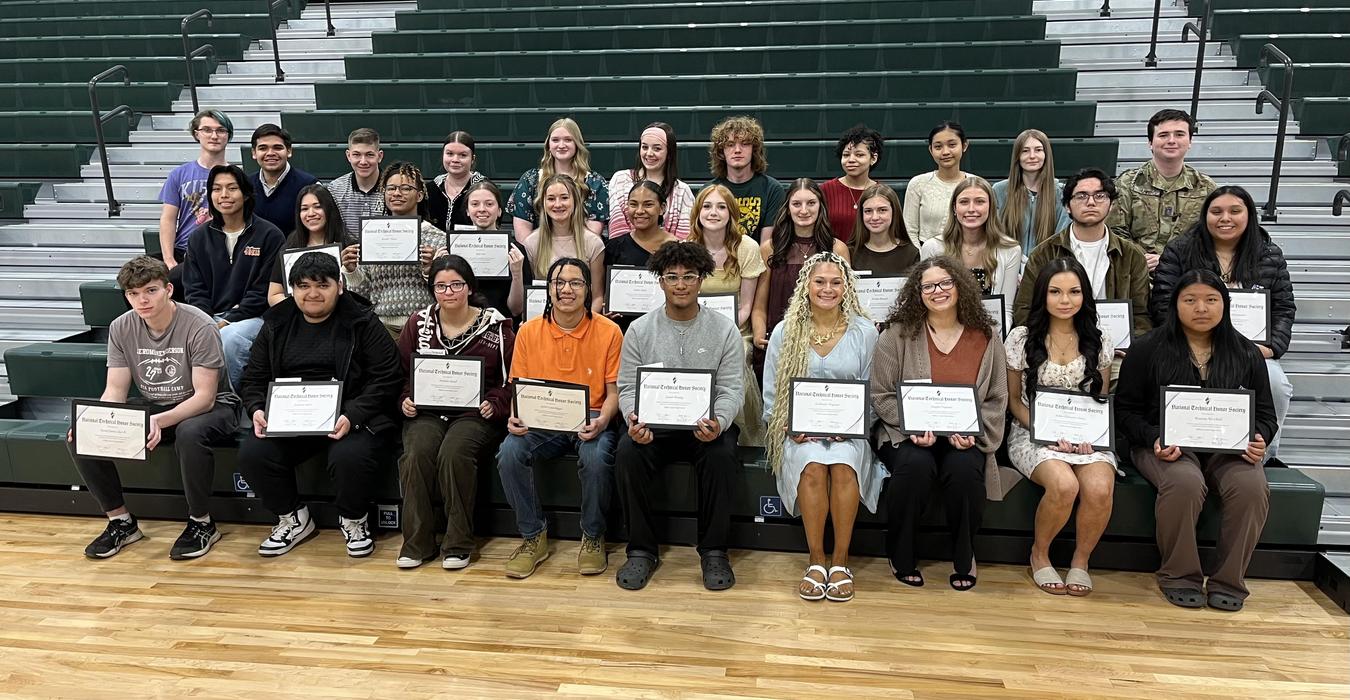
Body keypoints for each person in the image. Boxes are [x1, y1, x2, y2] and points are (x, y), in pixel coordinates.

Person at [1116, 269, 1275, 612]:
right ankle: (1180, 575)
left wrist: (1260, 437)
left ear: (1225, 305)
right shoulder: (1147, 349)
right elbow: (1126, 411)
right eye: (1190, 300)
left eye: (1211, 300)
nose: (1201, 308)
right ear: (1175, 304)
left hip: (1228, 449)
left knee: (1251, 487)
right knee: (1184, 482)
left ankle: (1229, 580)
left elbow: (1265, 413)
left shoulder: (1246, 353)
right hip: (1164, 446)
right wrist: (1154, 437)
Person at [68, 256, 240, 560]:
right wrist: (99, 421)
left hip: (213, 407)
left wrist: (159, 420)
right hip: (154, 405)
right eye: (133, 294)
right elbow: (115, 391)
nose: (142, 300)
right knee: (81, 433)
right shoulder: (121, 327)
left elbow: (206, 397)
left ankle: (202, 523)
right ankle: (121, 521)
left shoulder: (199, 324)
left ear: (168, 289)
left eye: (150, 291)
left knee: (189, 432)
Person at [237, 253, 403, 558]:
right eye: (303, 286)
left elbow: (388, 376)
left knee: (350, 455)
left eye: (321, 285)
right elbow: (254, 377)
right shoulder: (275, 323)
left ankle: (354, 520)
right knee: (253, 452)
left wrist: (353, 415)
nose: (312, 293)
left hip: (349, 415)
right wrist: (257, 409)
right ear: (292, 290)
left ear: (338, 286)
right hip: (290, 418)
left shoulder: (362, 320)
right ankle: (293, 518)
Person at [870, 257, 1009, 591]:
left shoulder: (987, 336)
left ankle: (965, 554)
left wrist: (974, 435)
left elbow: (996, 398)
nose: (938, 291)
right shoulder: (897, 334)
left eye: (945, 282)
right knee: (914, 466)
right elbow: (882, 393)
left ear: (960, 285)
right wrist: (911, 427)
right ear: (918, 293)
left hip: (964, 436)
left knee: (964, 471)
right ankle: (900, 553)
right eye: (928, 285)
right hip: (906, 433)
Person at [614, 242, 745, 591]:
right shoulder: (640, 330)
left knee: (722, 453)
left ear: (702, 280)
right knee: (628, 451)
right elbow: (627, 386)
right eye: (672, 277)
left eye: (689, 276)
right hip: (655, 427)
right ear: (660, 282)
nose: (681, 284)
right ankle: (641, 550)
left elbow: (732, 388)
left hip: (706, 427)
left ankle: (714, 550)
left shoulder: (724, 330)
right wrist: (634, 419)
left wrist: (719, 421)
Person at [762, 252, 881, 602]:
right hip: (798, 430)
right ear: (806, 285)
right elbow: (772, 391)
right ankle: (816, 561)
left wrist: (855, 426)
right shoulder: (786, 330)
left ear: (846, 287)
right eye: (819, 281)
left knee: (844, 466)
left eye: (835, 282)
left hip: (850, 430)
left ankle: (840, 562)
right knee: (812, 465)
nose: (827, 288)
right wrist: (787, 426)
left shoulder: (864, 331)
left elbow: (872, 390)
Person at [496, 257, 622, 579]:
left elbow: (613, 393)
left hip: (590, 418)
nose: (567, 289)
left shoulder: (609, 331)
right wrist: (514, 418)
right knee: (510, 451)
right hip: (542, 421)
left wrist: (603, 421)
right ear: (548, 290)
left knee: (596, 457)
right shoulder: (528, 332)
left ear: (587, 289)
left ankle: (593, 536)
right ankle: (532, 536)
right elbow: (518, 389)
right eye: (559, 283)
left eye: (575, 283)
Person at [1151, 185, 1295, 462]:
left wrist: (1271, 348)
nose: (1225, 218)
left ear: (1249, 215)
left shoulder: (1269, 253)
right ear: (1205, 215)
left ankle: (1263, 456)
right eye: (1216, 211)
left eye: (1235, 211)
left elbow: (1284, 308)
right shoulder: (1181, 250)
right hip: (1190, 345)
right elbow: (1163, 303)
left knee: (1276, 383)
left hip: (1251, 350)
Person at [395, 255, 515, 570]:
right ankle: (417, 542)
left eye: (456, 285)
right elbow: (402, 376)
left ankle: (458, 542)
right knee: (418, 452)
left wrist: (495, 403)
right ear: (432, 290)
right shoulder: (417, 323)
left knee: (454, 452)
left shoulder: (497, 325)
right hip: (428, 412)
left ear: (470, 287)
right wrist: (406, 399)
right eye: (441, 286)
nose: (449, 292)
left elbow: (509, 382)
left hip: (475, 414)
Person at [1005, 258, 1116, 597]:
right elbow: (1013, 401)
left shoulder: (1099, 340)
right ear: (1043, 295)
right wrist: (1049, 435)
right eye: (1055, 292)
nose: (1065, 300)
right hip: (1032, 433)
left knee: (1098, 487)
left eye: (1073, 292)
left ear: (1085, 296)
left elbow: (1100, 400)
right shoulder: (1021, 338)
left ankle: (1080, 561)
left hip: (1086, 439)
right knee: (1065, 485)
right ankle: (1040, 554)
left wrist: (1090, 439)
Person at [1015, 168, 1152, 349]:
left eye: (1100, 196)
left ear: (1111, 205)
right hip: (1055, 349)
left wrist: (1130, 349)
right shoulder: (1044, 253)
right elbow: (1024, 310)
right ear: (1067, 206)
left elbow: (1141, 315)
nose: (1091, 202)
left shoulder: (1132, 256)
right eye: (1081, 196)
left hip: (1117, 350)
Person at [181, 164, 285, 391]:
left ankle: (231, 404)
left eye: (232, 188)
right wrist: (208, 321)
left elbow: (263, 290)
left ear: (246, 194)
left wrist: (227, 320)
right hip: (208, 317)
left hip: (255, 318)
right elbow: (193, 288)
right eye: (217, 189)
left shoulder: (269, 235)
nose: (224, 195)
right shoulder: (199, 237)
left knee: (230, 339)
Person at [686, 183, 767, 445]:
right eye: (707, 206)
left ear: (731, 213)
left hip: (734, 331)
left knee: (735, 359)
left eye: (721, 207)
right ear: (698, 212)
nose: (713, 212)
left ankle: (740, 437)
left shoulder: (747, 248)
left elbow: (745, 307)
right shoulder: (686, 248)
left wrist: (719, 332)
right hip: (691, 329)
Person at [752, 179, 851, 370]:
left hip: (824, 342)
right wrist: (759, 334)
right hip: (781, 340)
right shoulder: (770, 249)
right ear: (787, 208)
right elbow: (760, 305)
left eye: (811, 203)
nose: (804, 210)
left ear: (821, 206)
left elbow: (846, 303)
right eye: (797, 204)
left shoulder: (837, 249)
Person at [340, 161, 444, 338]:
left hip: (425, 326)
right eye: (391, 188)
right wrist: (351, 271)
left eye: (405, 188)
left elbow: (448, 292)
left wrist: (430, 270)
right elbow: (363, 295)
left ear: (419, 195)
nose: (397, 193)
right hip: (381, 327)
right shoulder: (371, 234)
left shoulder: (438, 238)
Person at [1107, 108, 1217, 271]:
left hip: (1187, 275)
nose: (1171, 141)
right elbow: (1115, 231)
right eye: (1163, 135)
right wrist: (1139, 258)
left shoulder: (1206, 187)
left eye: (1179, 134)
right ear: (1150, 142)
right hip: (1136, 273)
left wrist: (1171, 260)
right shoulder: (1128, 183)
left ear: (1190, 141)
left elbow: (1212, 237)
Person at [158, 109, 232, 295]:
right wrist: (168, 259)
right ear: (196, 134)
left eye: (221, 130)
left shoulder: (236, 176)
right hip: (182, 249)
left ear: (228, 136)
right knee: (135, 277)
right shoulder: (179, 174)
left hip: (216, 252)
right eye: (207, 130)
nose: (214, 135)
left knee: (173, 281)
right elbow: (168, 219)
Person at [919, 176, 1021, 306]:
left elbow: (1006, 308)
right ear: (955, 208)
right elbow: (927, 303)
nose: (971, 209)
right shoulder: (932, 248)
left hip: (991, 325)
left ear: (991, 207)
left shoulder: (1010, 250)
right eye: (964, 202)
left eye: (979, 202)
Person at [509, 117, 608, 241]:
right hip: (538, 254)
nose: (561, 145)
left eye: (568, 140)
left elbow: (592, 238)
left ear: (577, 144)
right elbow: (523, 237)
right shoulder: (530, 180)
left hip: (581, 255)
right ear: (548, 145)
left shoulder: (595, 183)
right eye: (555, 140)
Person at [521, 173, 607, 312]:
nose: (558, 204)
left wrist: (585, 326)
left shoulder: (593, 243)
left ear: (575, 201)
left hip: (583, 324)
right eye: (551, 198)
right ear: (543, 202)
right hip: (544, 321)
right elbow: (530, 294)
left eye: (564, 198)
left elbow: (597, 297)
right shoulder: (531, 243)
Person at [602, 179, 676, 330]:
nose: (639, 211)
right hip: (623, 331)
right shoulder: (614, 247)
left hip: (666, 330)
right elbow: (602, 293)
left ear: (662, 208)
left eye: (648, 204)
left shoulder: (678, 248)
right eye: (633, 204)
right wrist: (605, 309)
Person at [606, 122, 695, 240]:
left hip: (669, 256)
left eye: (657, 148)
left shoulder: (682, 190)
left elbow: (684, 239)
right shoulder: (620, 180)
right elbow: (617, 229)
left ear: (669, 153)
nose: (649, 153)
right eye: (644, 147)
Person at [459, 179, 531, 319]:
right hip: (463, 326)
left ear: (499, 211)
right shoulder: (454, 249)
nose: (482, 209)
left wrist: (517, 274)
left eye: (489, 204)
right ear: (467, 211)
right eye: (475, 204)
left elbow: (516, 310)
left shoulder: (516, 252)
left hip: (502, 327)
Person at [707, 115, 786, 242]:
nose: (737, 150)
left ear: (754, 149)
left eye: (745, 144)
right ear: (722, 152)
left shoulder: (772, 189)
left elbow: (766, 247)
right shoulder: (709, 191)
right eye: (730, 144)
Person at [267, 183, 348, 306]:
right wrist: (304, 308)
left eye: (318, 207)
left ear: (329, 209)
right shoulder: (289, 247)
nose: (311, 213)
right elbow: (274, 295)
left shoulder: (348, 246)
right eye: (304, 209)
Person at [992, 129, 1070, 257]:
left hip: (1047, 266)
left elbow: (1061, 238)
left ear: (1046, 154)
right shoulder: (999, 190)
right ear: (1017, 156)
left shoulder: (1061, 192)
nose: (1032, 156)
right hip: (1008, 265)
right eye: (1025, 151)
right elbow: (995, 235)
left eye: (1038, 150)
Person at [903, 121, 971, 247]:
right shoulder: (918, 184)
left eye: (952, 145)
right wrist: (923, 259)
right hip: (927, 258)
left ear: (964, 145)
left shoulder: (975, 183)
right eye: (938, 147)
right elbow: (909, 229)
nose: (945, 152)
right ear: (930, 150)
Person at [248, 123, 319, 235]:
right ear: (254, 153)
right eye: (263, 148)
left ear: (289, 151)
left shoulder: (309, 185)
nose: (270, 153)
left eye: (277, 147)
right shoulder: (245, 185)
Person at [820, 125, 883, 243]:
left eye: (859, 155)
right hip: (834, 258)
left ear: (873, 158)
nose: (851, 160)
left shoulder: (883, 192)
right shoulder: (826, 190)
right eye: (846, 155)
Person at [326, 127, 386, 240]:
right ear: (348, 156)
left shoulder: (394, 188)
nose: (363, 161)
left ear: (380, 156)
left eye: (369, 155)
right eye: (356, 155)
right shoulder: (334, 190)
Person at [848, 184, 919, 276]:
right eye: (868, 211)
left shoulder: (911, 253)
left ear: (894, 211)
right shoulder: (850, 253)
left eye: (882, 210)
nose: (875, 217)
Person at [423, 131, 487, 232]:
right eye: (450, 154)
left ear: (473, 159)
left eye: (463, 155)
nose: (455, 159)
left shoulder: (485, 188)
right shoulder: (430, 188)